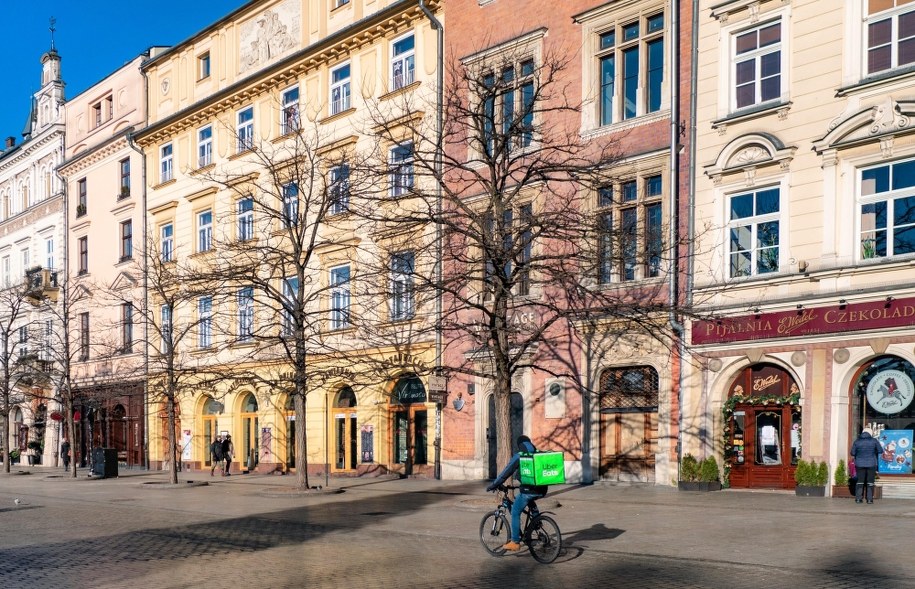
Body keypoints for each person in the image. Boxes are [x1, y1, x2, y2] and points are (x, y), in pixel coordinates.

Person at [485, 435, 548, 552]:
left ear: (520, 446)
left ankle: (515, 542)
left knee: (515, 511)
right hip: (542, 490)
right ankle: (536, 522)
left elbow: (506, 472)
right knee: (530, 499)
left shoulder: (520, 456)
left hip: (529, 490)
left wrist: (494, 484)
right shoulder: (538, 454)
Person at [850, 427, 883, 504]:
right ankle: (869, 499)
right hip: (871, 463)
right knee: (870, 481)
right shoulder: (874, 441)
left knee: (860, 481)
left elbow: (852, 453)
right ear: (870, 433)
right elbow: (880, 450)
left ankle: (858, 498)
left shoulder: (857, 441)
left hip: (859, 464)